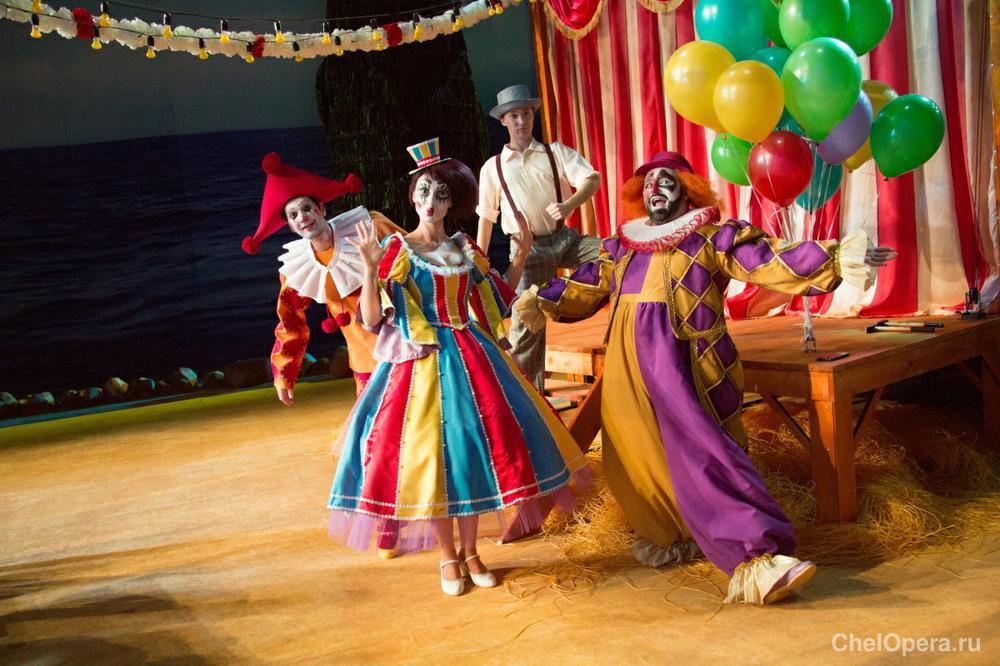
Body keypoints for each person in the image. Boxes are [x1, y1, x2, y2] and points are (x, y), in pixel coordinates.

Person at [517, 150, 896, 605]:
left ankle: (756, 557)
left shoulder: (711, 236)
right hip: (625, 364)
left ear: (688, 189)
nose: (655, 189)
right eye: (648, 183)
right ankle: (673, 534)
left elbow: (769, 258)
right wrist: (541, 298)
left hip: (683, 364)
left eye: (666, 180)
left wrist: (835, 257)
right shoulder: (621, 246)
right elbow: (584, 285)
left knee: (704, 452)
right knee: (635, 454)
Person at [328, 139, 588, 596]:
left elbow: (498, 299)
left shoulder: (464, 248)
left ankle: (471, 552)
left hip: (472, 354)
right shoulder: (398, 249)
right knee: (432, 459)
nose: (431, 201)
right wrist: (369, 270)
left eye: (442, 194)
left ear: (454, 202)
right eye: (424, 191)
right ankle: (447, 556)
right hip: (421, 363)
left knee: (472, 453)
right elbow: (370, 319)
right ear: (412, 196)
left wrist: (520, 256)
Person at [242, 152, 400, 400]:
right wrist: (285, 371)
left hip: (407, 344)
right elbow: (291, 320)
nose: (302, 217)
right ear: (290, 226)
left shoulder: (368, 226)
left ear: (321, 208)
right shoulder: (296, 269)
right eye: (293, 215)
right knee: (373, 422)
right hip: (365, 360)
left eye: (307, 208)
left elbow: (418, 257)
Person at [476, 84, 603, 390]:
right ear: (503, 121)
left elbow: (592, 178)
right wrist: (478, 264)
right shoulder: (493, 168)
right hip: (527, 251)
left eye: (526, 114)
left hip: (565, 240)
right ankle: (529, 397)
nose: (521, 121)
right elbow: (487, 218)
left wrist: (570, 204)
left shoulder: (554, 152)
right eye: (514, 116)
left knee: (616, 253)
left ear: (533, 115)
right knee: (526, 328)